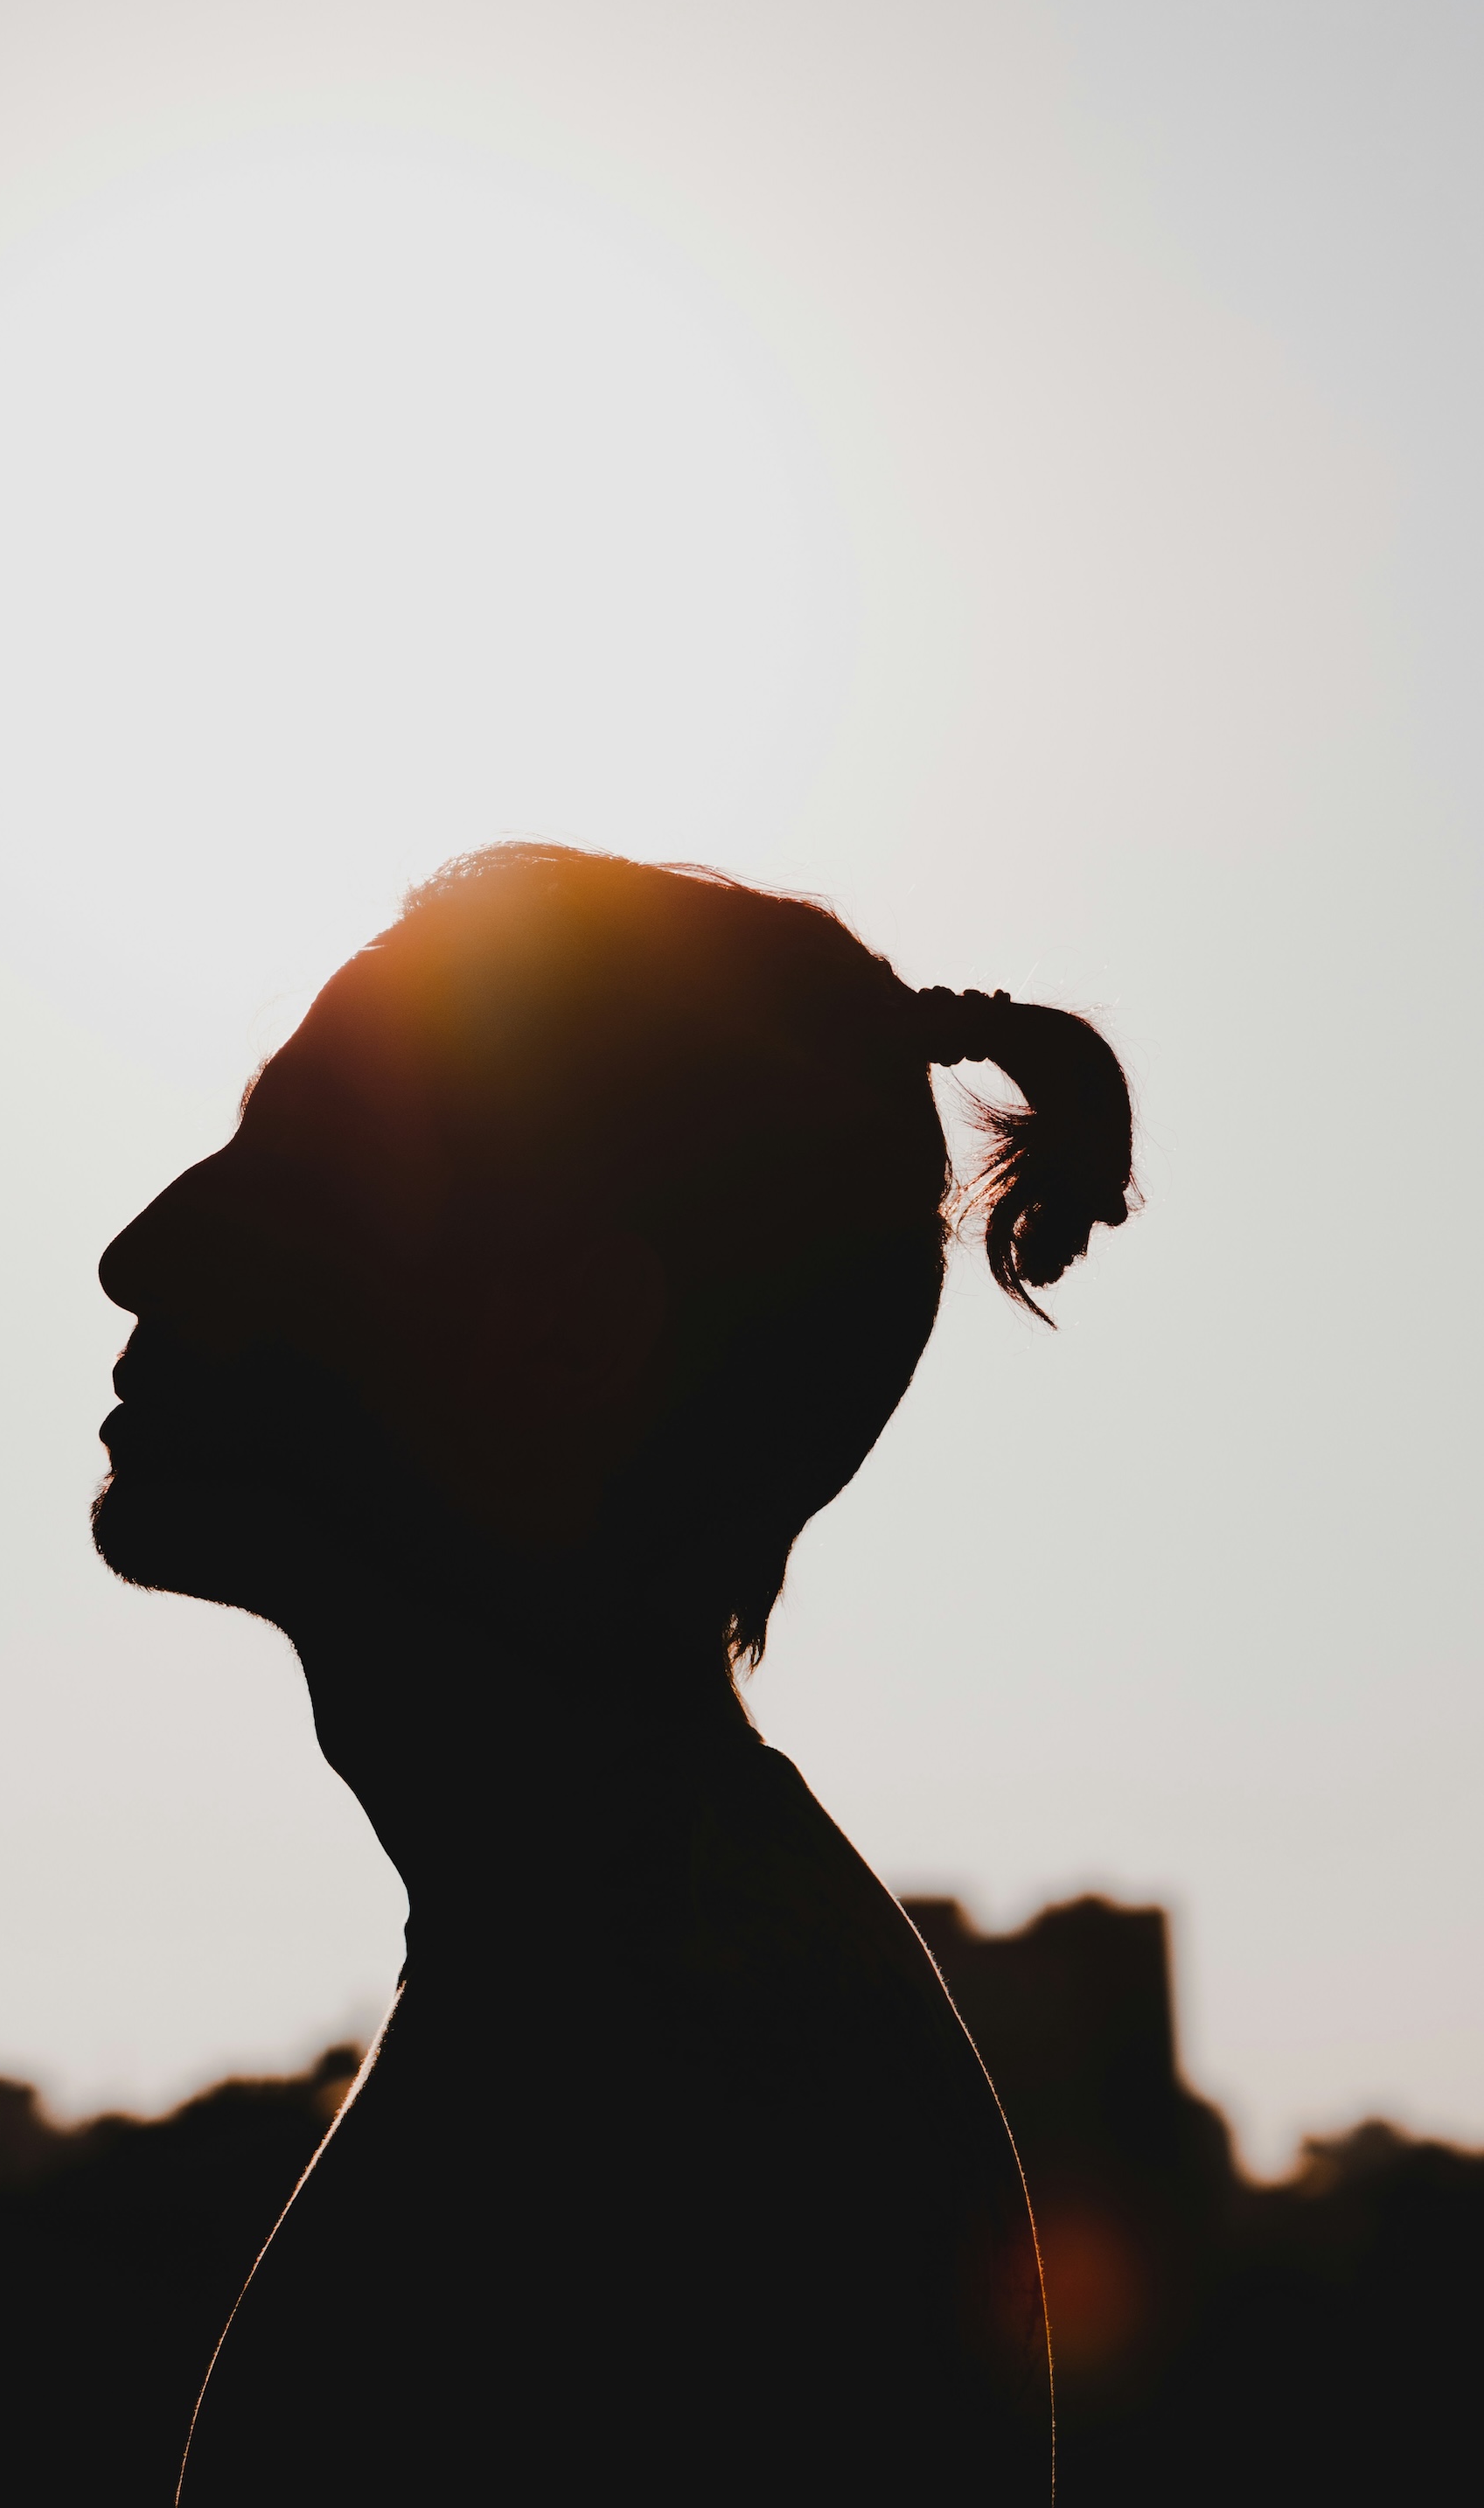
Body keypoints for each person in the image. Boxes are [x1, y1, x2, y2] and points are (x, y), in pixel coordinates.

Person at [92, 844, 1136, 2500]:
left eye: (292, 1171)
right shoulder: (648, 1997)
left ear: (562, 1335)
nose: (141, 1250)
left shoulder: (659, 2117)